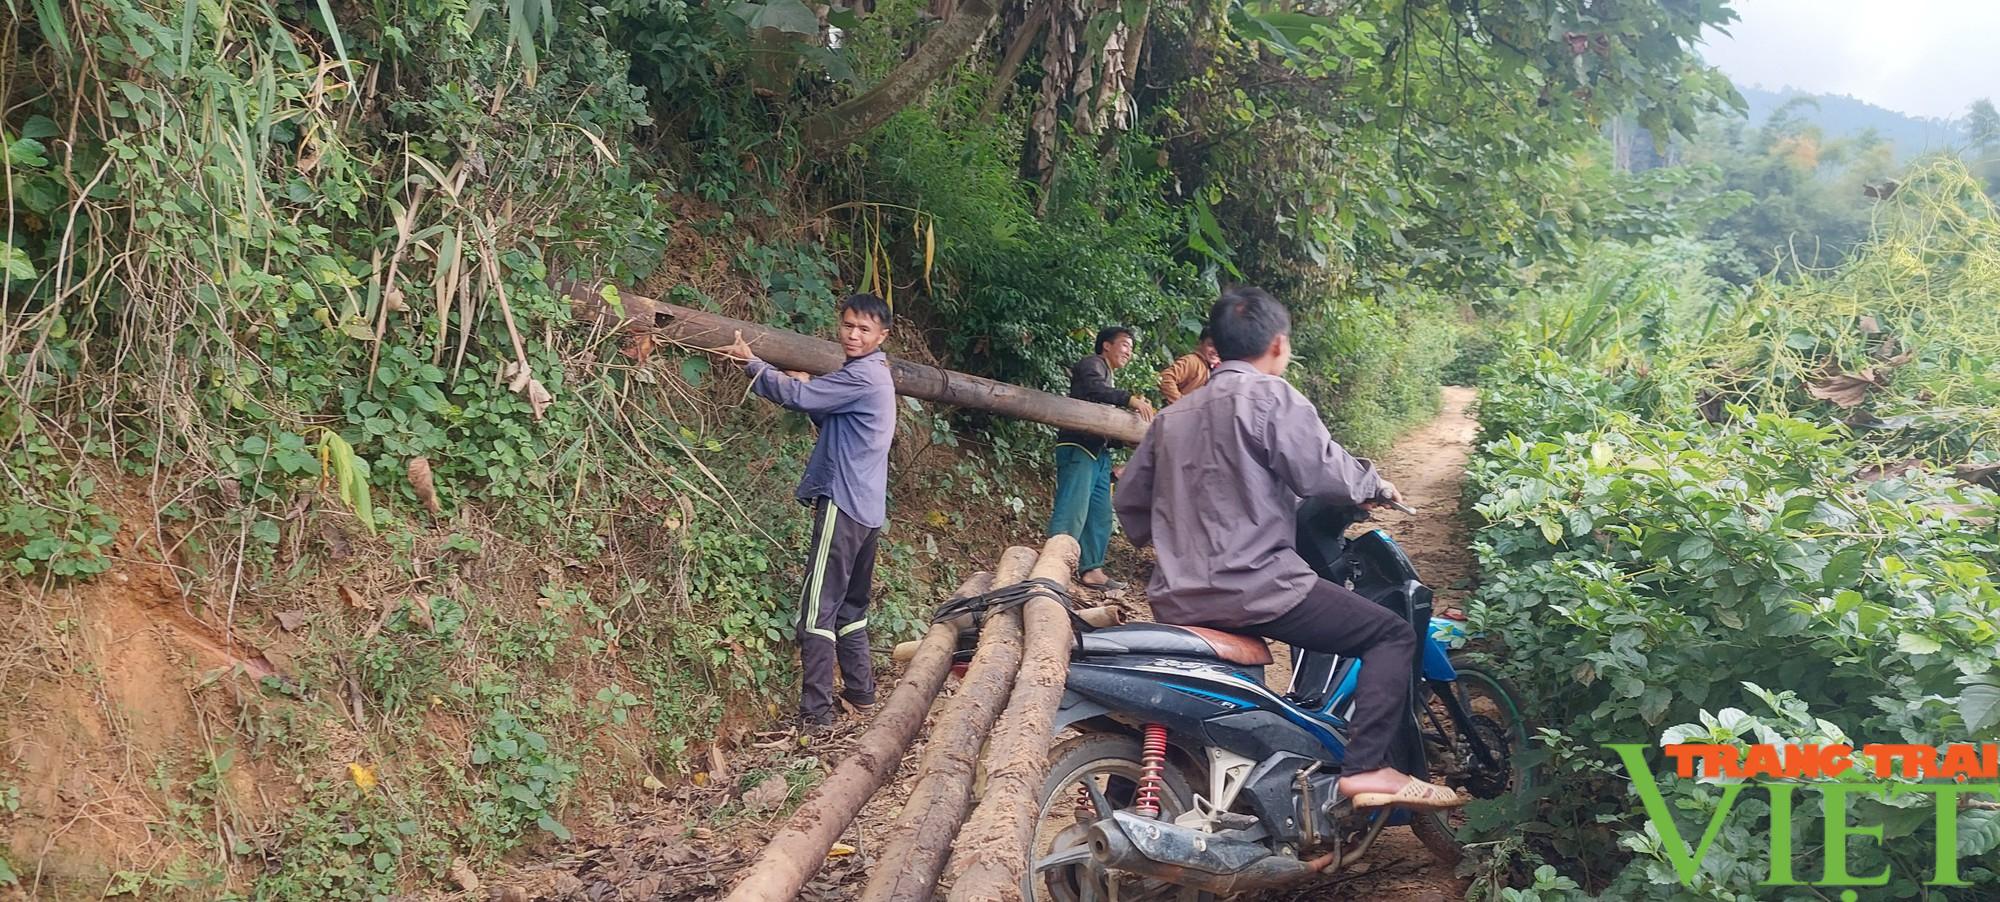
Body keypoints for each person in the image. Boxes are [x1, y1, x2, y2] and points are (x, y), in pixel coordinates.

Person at [1113, 287, 1462, 810]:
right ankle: (1368, 770)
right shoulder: (1270, 397)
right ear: (1278, 344)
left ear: (1217, 347)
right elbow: (1323, 468)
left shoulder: (1171, 419)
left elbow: (1131, 507)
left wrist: (1177, 536)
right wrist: (1373, 486)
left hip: (1180, 597)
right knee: (1388, 635)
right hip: (1259, 589)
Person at [719, 294, 896, 733]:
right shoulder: (872, 376)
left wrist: (753, 363)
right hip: (868, 511)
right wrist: (797, 383)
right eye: (848, 326)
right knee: (851, 607)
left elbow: (801, 398)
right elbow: (835, 419)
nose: (853, 335)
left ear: (882, 336)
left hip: (844, 504)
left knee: (818, 609)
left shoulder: (863, 377)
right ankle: (861, 694)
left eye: (864, 330)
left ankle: (816, 715)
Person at [1050, 326, 1154, 591]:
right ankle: (1054, 568)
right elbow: (1094, 390)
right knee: (1073, 509)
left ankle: (1091, 569)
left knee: (1100, 514)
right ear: (1106, 345)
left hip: (1098, 452)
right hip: (1078, 446)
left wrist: (1124, 440)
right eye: (1124, 345)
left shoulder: (1108, 375)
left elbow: (1102, 422)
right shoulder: (1092, 364)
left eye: (1131, 348)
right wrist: (1129, 399)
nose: (1128, 351)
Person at [1157, 329, 1219, 404]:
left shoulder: (1218, 369)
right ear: (1200, 343)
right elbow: (1166, 377)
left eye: (1219, 347)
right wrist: (1180, 403)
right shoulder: (1192, 361)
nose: (1215, 351)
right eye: (1211, 345)